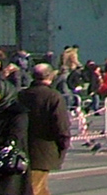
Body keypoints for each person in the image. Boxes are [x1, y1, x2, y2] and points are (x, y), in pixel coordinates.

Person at [16, 62, 72, 195]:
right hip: (45, 148)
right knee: (34, 188)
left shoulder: (21, 95)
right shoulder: (53, 96)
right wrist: (64, 144)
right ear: (51, 76)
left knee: (39, 187)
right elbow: (61, 124)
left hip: (23, 146)